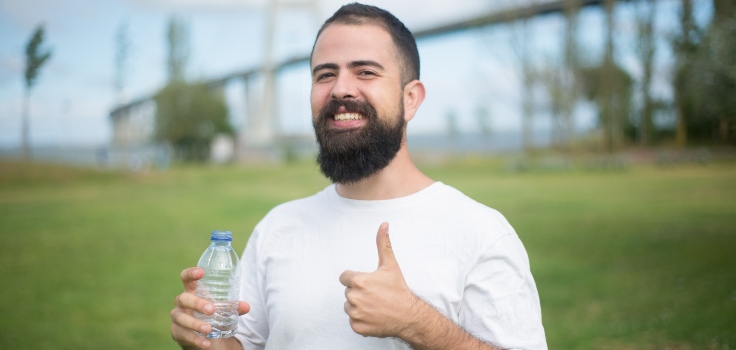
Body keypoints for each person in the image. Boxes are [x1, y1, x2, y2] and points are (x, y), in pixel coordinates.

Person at [171, 3, 547, 349]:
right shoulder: (277, 227)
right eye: (325, 74)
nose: (341, 89)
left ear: (411, 98)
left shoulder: (481, 233)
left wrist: (417, 322)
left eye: (365, 71)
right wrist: (207, 338)